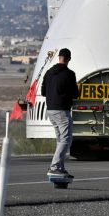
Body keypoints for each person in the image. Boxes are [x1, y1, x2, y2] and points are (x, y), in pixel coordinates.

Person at [41, 48, 79, 177]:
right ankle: (55, 166)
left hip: (50, 109)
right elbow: (75, 94)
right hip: (62, 110)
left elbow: (43, 92)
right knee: (66, 140)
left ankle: (60, 168)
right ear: (69, 59)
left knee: (60, 140)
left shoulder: (49, 72)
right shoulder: (69, 74)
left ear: (59, 57)